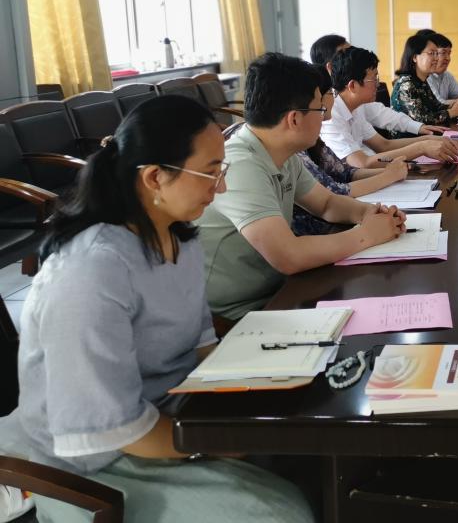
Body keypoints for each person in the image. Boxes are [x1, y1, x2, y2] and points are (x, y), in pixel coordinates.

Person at [6, 95, 315, 522]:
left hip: (171, 415)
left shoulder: (178, 237)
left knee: (308, 454)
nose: (221, 187)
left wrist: (274, 377)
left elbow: (202, 347)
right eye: (211, 172)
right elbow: (111, 427)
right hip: (95, 461)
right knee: (282, 513)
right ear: (155, 177)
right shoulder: (91, 270)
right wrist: (220, 442)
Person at [198, 53, 406, 320]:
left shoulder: (283, 153)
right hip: (243, 312)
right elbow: (289, 256)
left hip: (283, 289)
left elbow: (327, 204)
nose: (325, 118)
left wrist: (369, 213)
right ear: (294, 119)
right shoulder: (241, 164)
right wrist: (368, 234)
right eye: (320, 109)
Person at [293, 68, 409, 235]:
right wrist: (388, 176)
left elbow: (345, 174)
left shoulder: (311, 138)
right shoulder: (293, 151)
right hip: (322, 234)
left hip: (335, 227)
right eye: (331, 93)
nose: (334, 98)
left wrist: (371, 212)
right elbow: (334, 192)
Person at [322, 46, 458, 168]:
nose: (378, 84)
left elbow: (384, 145)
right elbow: (362, 163)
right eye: (374, 79)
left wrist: (428, 140)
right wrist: (422, 147)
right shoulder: (331, 116)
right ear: (353, 86)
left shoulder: (355, 108)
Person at [309, 33, 447, 138]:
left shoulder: (353, 101)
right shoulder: (331, 110)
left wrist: (420, 130)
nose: (354, 56)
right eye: (346, 54)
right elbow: (360, 161)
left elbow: (382, 117)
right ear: (331, 67)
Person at [391, 33, 458, 125]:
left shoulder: (422, 82)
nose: (436, 58)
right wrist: (452, 112)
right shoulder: (406, 84)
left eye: (437, 53)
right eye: (431, 53)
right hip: (410, 134)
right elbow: (421, 120)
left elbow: (436, 106)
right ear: (415, 57)